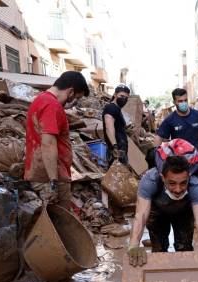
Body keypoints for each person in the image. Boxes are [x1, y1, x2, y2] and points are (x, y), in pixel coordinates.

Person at [127, 156, 198, 266]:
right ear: (162, 177)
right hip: (158, 213)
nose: (178, 189)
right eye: (172, 183)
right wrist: (134, 244)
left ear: (189, 177)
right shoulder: (149, 181)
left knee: (185, 249)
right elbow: (141, 215)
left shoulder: (195, 186)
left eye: (183, 183)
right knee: (159, 250)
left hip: (183, 212)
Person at [24, 71, 89, 210]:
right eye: (75, 98)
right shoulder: (51, 105)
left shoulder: (41, 99)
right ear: (70, 91)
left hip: (44, 173)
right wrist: (53, 181)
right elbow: (48, 143)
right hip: (51, 177)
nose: (73, 103)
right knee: (60, 223)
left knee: (53, 222)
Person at [156, 88, 198, 168]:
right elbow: (159, 137)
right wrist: (156, 156)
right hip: (180, 163)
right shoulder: (170, 120)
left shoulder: (197, 115)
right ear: (174, 102)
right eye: (180, 101)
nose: (183, 103)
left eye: (185, 100)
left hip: (197, 160)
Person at [102, 84, 130, 165]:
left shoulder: (117, 109)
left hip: (120, 149)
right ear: (115, 95)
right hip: (117, 151)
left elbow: (116, 127)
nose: (124, 99)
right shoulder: (111, 108)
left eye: (126, 97)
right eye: (121, 96)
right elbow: (109, 127)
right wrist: (115, 146)